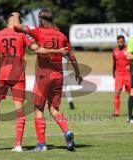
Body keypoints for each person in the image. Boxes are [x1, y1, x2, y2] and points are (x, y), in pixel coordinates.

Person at [0, 12, 69, 152]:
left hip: (3, 73)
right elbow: (37, 49)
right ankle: (18, 145)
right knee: (19, 110)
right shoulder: (23, 34)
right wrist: (58, 51)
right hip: (18, 75)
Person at [14, 9, 82, 151]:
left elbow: (16, 27)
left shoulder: (38, 31)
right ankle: (67, 132)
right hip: (58, 77)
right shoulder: (61, 35)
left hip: (43, 76)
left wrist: (16, 15)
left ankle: (42, 145)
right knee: (54, 109)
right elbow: (72, 56)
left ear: (41, 19)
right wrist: (78, 73)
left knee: (38, 109)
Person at [112, 35, 133, 116]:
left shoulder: (129, 50)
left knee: (132, 93)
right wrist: (113, 73)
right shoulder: (115, 51)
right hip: (119, 75)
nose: (120, 43)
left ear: (124, 42)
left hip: (128, 74)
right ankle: (116, 112)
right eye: (118, 42)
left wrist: (131, 67)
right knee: (117, 91)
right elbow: (114, 63)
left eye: (121, 42)